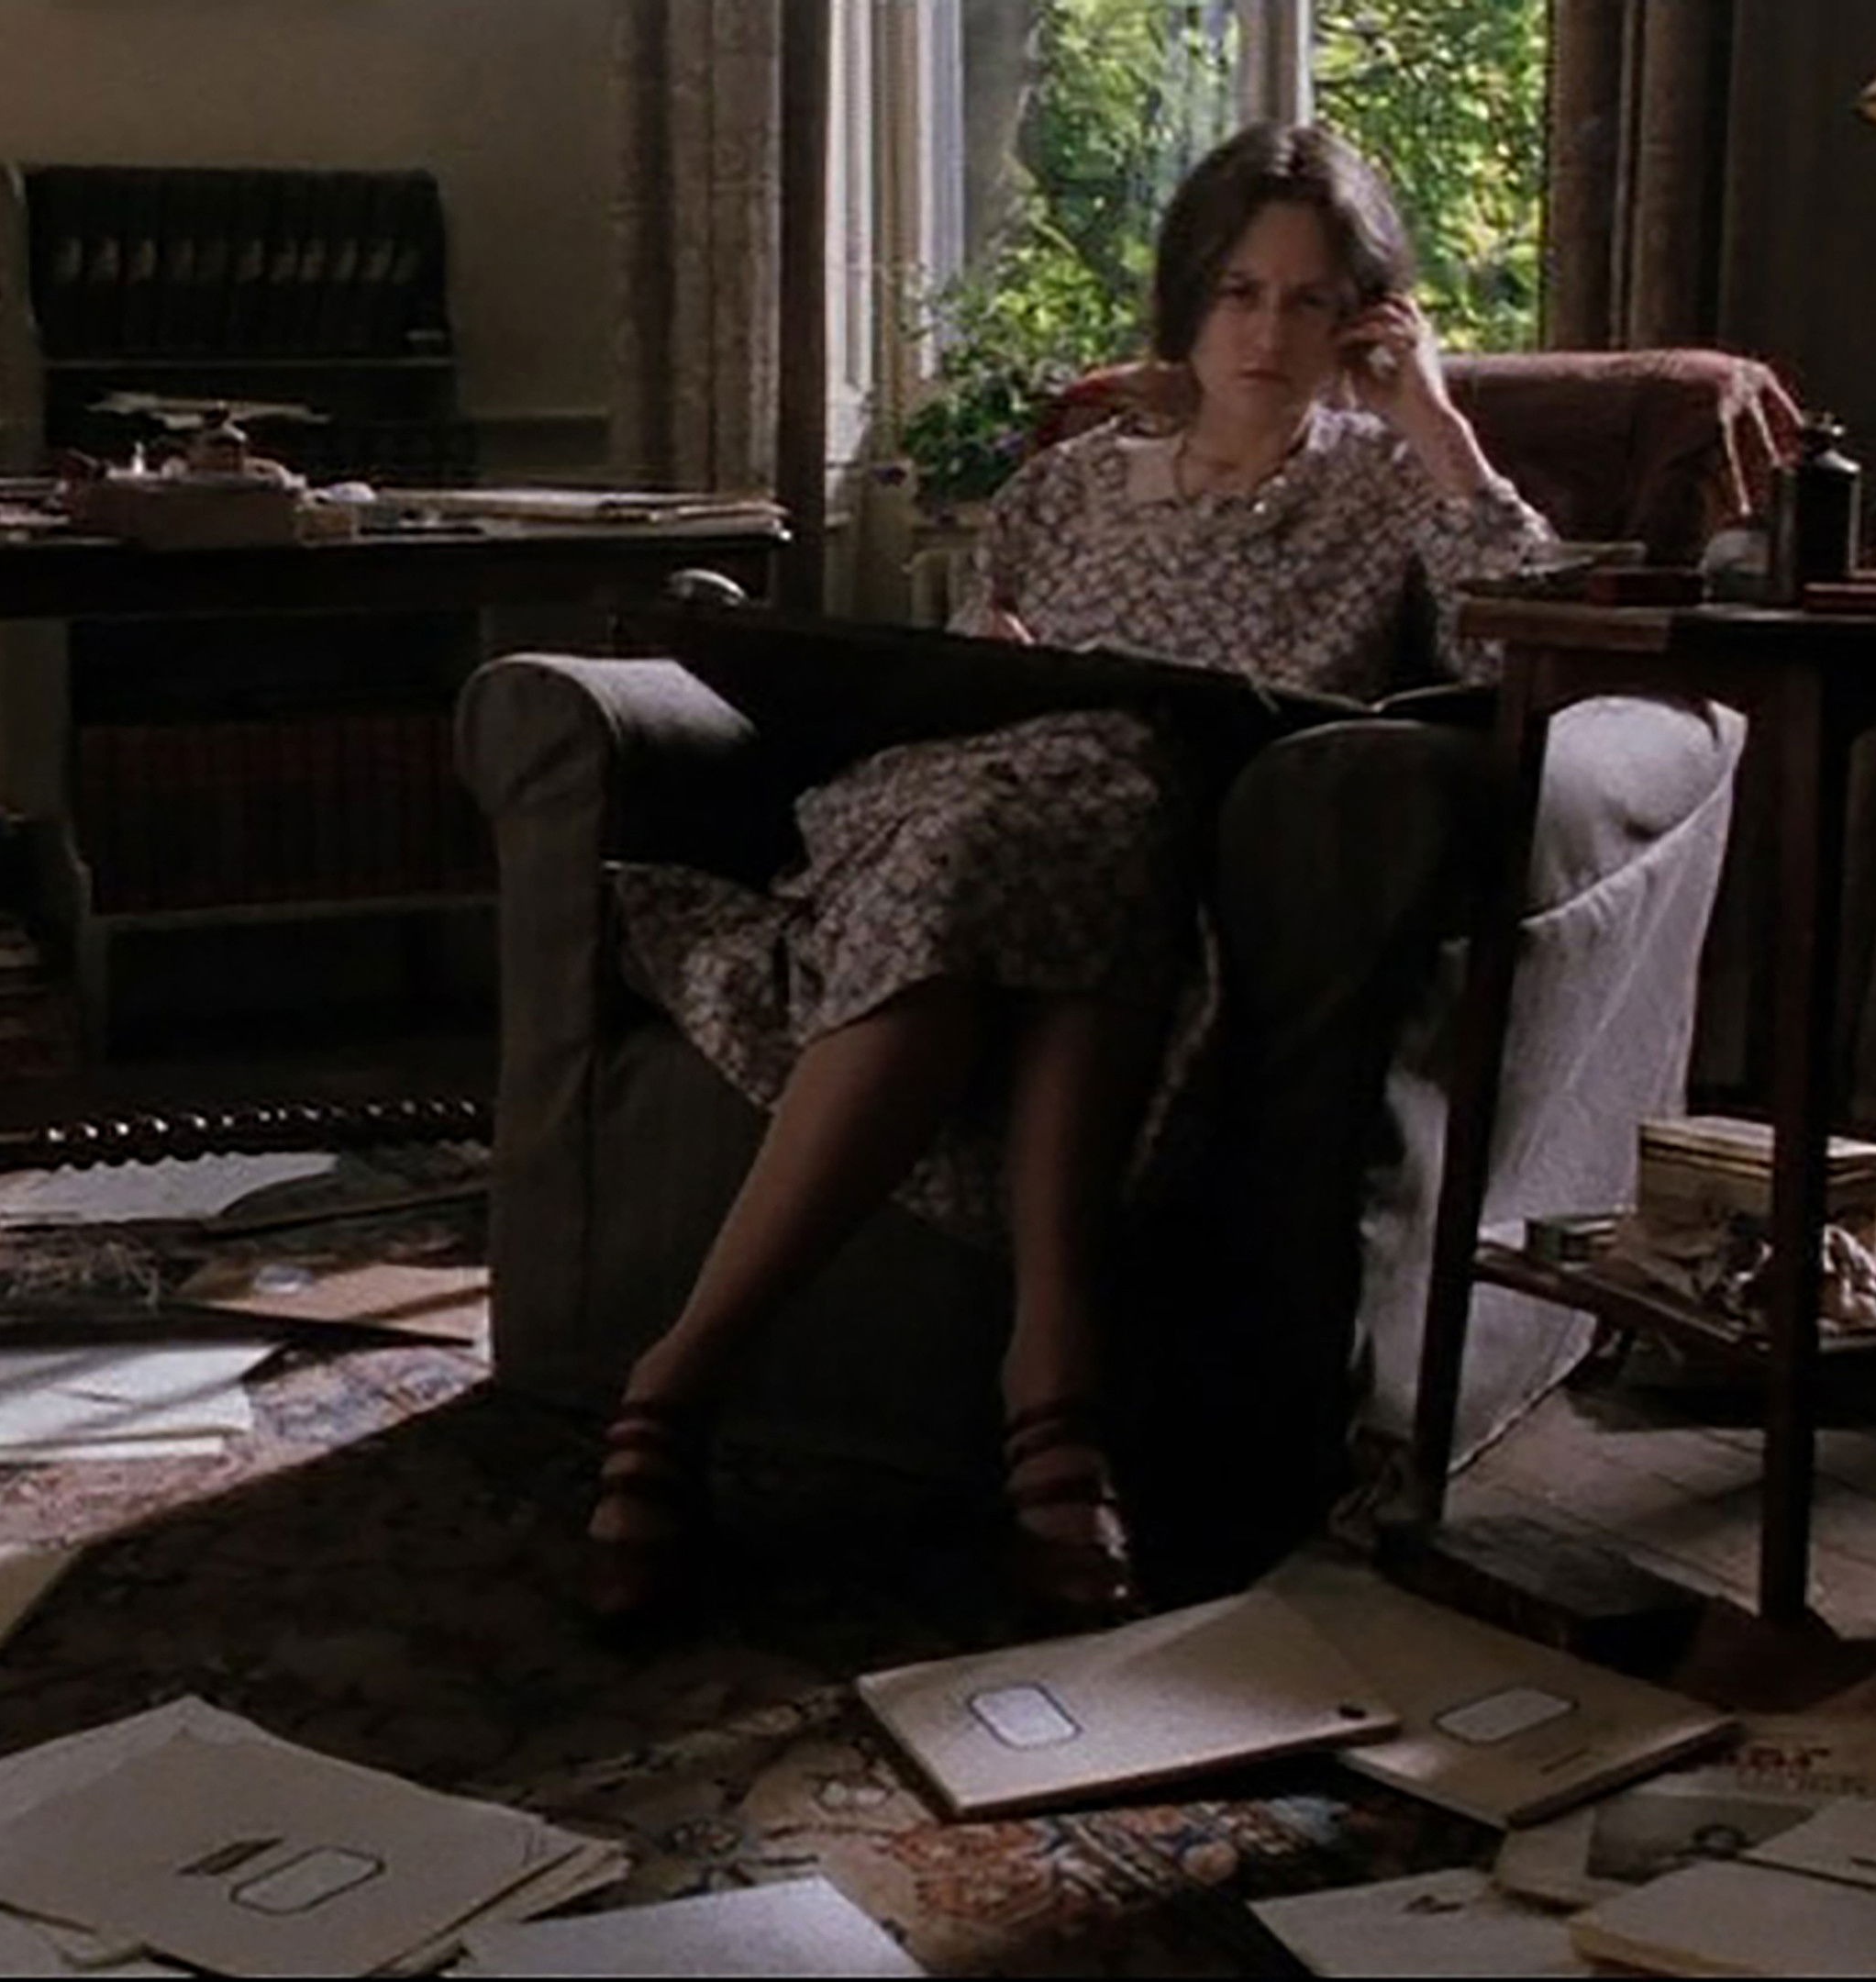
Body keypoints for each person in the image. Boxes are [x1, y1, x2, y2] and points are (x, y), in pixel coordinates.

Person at [583, 121, 1556, 1630]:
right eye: (1239, 292)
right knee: (1023, 823)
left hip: (1167, 855)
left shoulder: (1390, 489)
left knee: (1108, 808)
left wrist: (1437, 424)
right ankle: (1051, 1398)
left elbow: (1531, 648)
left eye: (1310, 300)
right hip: (968, 812)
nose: (1268, 334)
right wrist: (990, 660)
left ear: (1365, 317)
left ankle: (674, 1390)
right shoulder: (1068, 488)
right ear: (1188, 298)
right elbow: (972, 677)